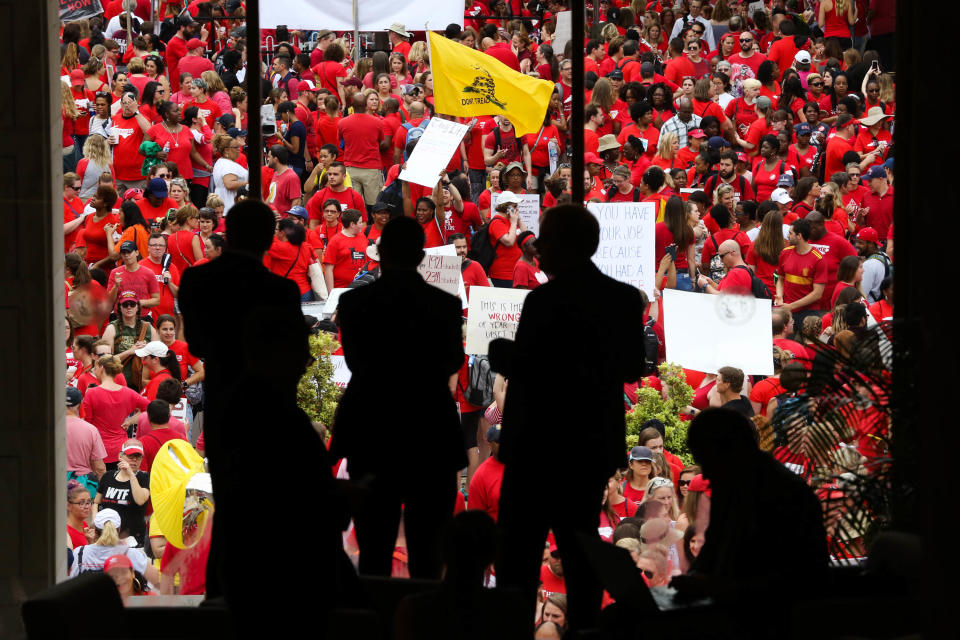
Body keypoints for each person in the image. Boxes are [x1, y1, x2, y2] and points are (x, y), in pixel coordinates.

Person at [179, 200, 349, 625]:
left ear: (227, 234)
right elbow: (295, 352)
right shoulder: (279, 290)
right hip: (271, 408)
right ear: (266, 240)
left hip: (223, 403)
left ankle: (224, 598)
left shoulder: (198, 280)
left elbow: (196, 343)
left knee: (231, 500)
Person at [497, 204, 646, 633]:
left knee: (519, 556)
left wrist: (503, 355)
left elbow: (532, 369)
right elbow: (632, 367)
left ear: (563, 247)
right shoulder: (620, 298)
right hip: (589, 448)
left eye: (545, 241)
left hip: (537, 448)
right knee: (581, 554)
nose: (539, 250)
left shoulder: (544, 300)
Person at [333, 216, 464, 578]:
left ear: (381, 254)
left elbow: (355, 360)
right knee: (427, 551)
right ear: (421, 255)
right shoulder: (445, 306)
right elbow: (453, 360)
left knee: (373, 550)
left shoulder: (356, 303)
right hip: (430, 431)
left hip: (372, 430)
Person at [673, 409, 828, 632]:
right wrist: (694, 577)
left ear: (728, 451)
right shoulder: (731, 486)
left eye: (707, 462)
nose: (705, 475)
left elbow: (794, 578)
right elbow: (714, 546)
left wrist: (714, 586)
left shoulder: (783, 494)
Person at [69, 508, 157, 583]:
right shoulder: (133, 555)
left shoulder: (80, 553)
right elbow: (151, 582)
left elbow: (73, 583)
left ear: (95, 530)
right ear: (119, 530)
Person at [94, 439, 150, 546]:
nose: (134, 460)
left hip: (133, 540)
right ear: (120, 456)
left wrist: (131, 474)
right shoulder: (108, 476)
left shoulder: (144, 478)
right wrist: (96, 523)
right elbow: (96, 502)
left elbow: (140, 500)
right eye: (130, 456)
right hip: (107, 538)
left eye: (138, 457)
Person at [775, 218, 827, 323]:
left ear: (799, 236)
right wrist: (779, 296)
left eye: (790, 233)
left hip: (808, 312)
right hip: (787, 308)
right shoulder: (785, 253)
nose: (787, 236)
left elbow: (817, 293)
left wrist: (791, 306)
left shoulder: (818, 259)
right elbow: (780, 279)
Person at [339, 92, 385, 207]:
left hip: (351, 167)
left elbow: (340, 142)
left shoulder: (342, 122)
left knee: (353, 204)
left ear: (352, 106)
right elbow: (381, 141)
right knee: (374, 205)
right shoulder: (377, 123)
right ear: (366, 105)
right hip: (371, 168)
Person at [66, 387, 107, 492]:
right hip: (82, 487)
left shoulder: (50, 428)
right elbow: (100, 468)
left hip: (56, 481)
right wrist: (103, 493)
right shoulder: (90, 429)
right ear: (80, 403)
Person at [322, 209, 368, 290]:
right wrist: (331, 293)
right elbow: (328, 269)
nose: (362, 225)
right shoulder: (335, 241)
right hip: (342, 289)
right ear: (352, 224)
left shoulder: (362, 236)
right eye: (360, 222)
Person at [854, 227, 891, 303]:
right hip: (883, 305)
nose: (856, 245)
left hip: (871, 309)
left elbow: (862, 294)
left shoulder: (868, 265)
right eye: (856, 242)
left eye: (860, 243)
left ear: (871, 244)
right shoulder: (885, 256)